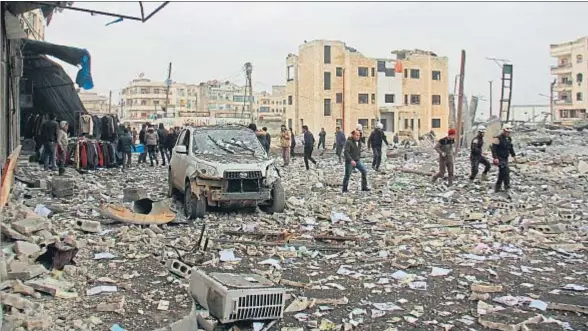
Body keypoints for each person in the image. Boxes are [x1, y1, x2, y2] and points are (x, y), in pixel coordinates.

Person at [491, 124, 517, 193]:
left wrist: (514, 156)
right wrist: (495, 158)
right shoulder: (497, 138)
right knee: (506, 170)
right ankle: (506, 186)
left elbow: (510, 148)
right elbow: (493, 149)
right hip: (499, 158)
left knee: (503, 172)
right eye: (507, 132)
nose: (508, 133)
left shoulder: (509, 139)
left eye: (509, 132)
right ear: (504, 131)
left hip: (505, 158)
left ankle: (498, 187)